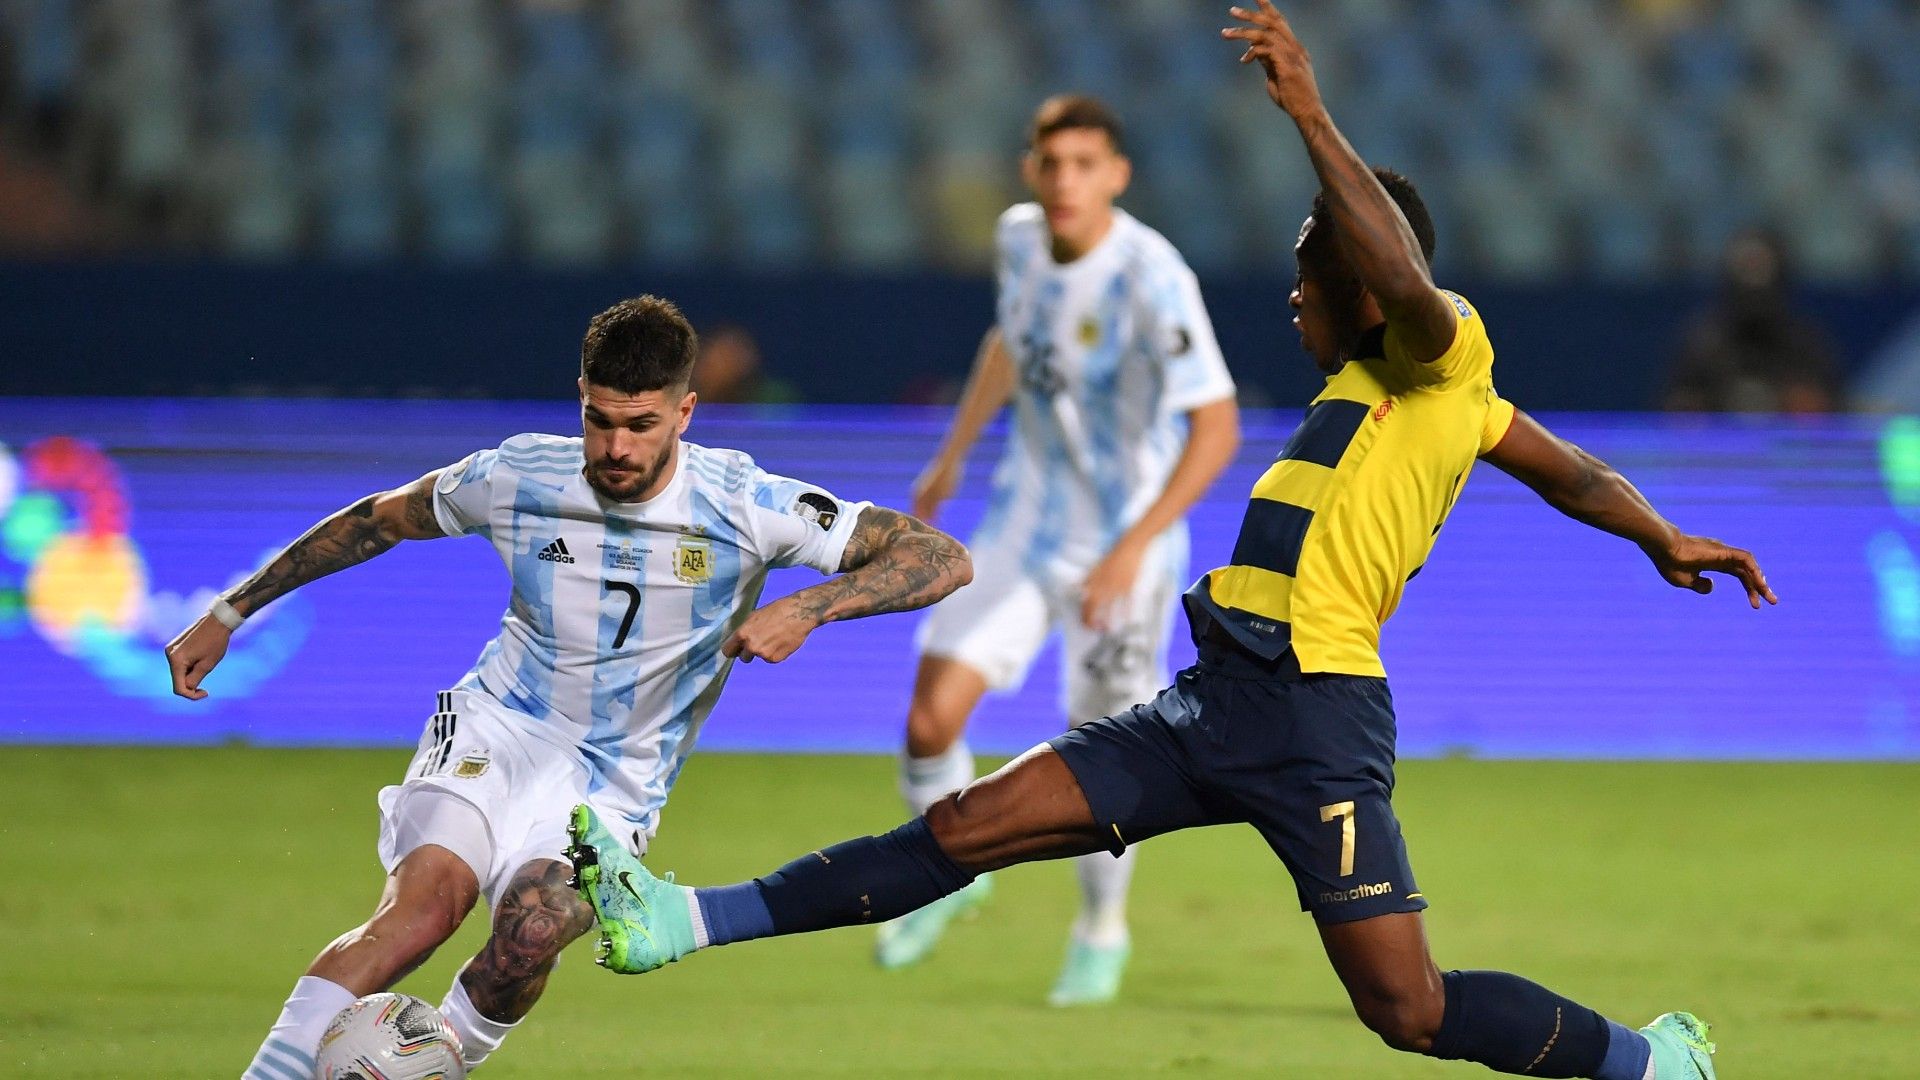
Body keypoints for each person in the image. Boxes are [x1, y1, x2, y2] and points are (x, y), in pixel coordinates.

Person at [567, 8, 1780, 1078]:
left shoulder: (1439, 346)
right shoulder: (1415, 396)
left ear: (1363, 275)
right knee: (965, 829)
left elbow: (1410, 286)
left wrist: (1309, 111)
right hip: (1214, 702)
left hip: (1317, 721)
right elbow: (1569, 470)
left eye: (1313, 277)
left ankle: (1654, 1065)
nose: (1295, 300)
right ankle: (679, 922)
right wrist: (1659, 533)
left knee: (1409, 1010)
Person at [164, 295, 971, 1079]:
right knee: (423, 912)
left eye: (642, 425)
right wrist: (230, 612)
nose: (616, 447)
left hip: (617, 782)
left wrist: (810, 605)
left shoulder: (745, 502)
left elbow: (941, 557)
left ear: (685, 415)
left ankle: (431, 1062)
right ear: (581, 399)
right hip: (497, 729)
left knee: (529, 932)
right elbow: (381, 518)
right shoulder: (519, 474)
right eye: (601, 420)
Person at [877, 93, 1240, 1004]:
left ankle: (1100, 930)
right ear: (1032, 171)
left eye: (1085, 163)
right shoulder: (1017, 239)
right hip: (1023, 528)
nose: (1065, 180)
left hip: (1125, 557)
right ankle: (947, 872)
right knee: (929, 716)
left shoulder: (1153, 277)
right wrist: (952, 453)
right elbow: (1012, 343)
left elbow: (1219, 427)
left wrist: (1133, 548)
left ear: (1116, 175)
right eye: (1051, 163)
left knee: (1108, 758)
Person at [1663, 227, 1842, 413]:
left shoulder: (1805, 344)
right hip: (1720, 442)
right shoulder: (1702, 345)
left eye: (1761, 268)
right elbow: (1679, 415)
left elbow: (1829, 418)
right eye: (1746, 268)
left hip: (1784, 442)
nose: (1754, 280)